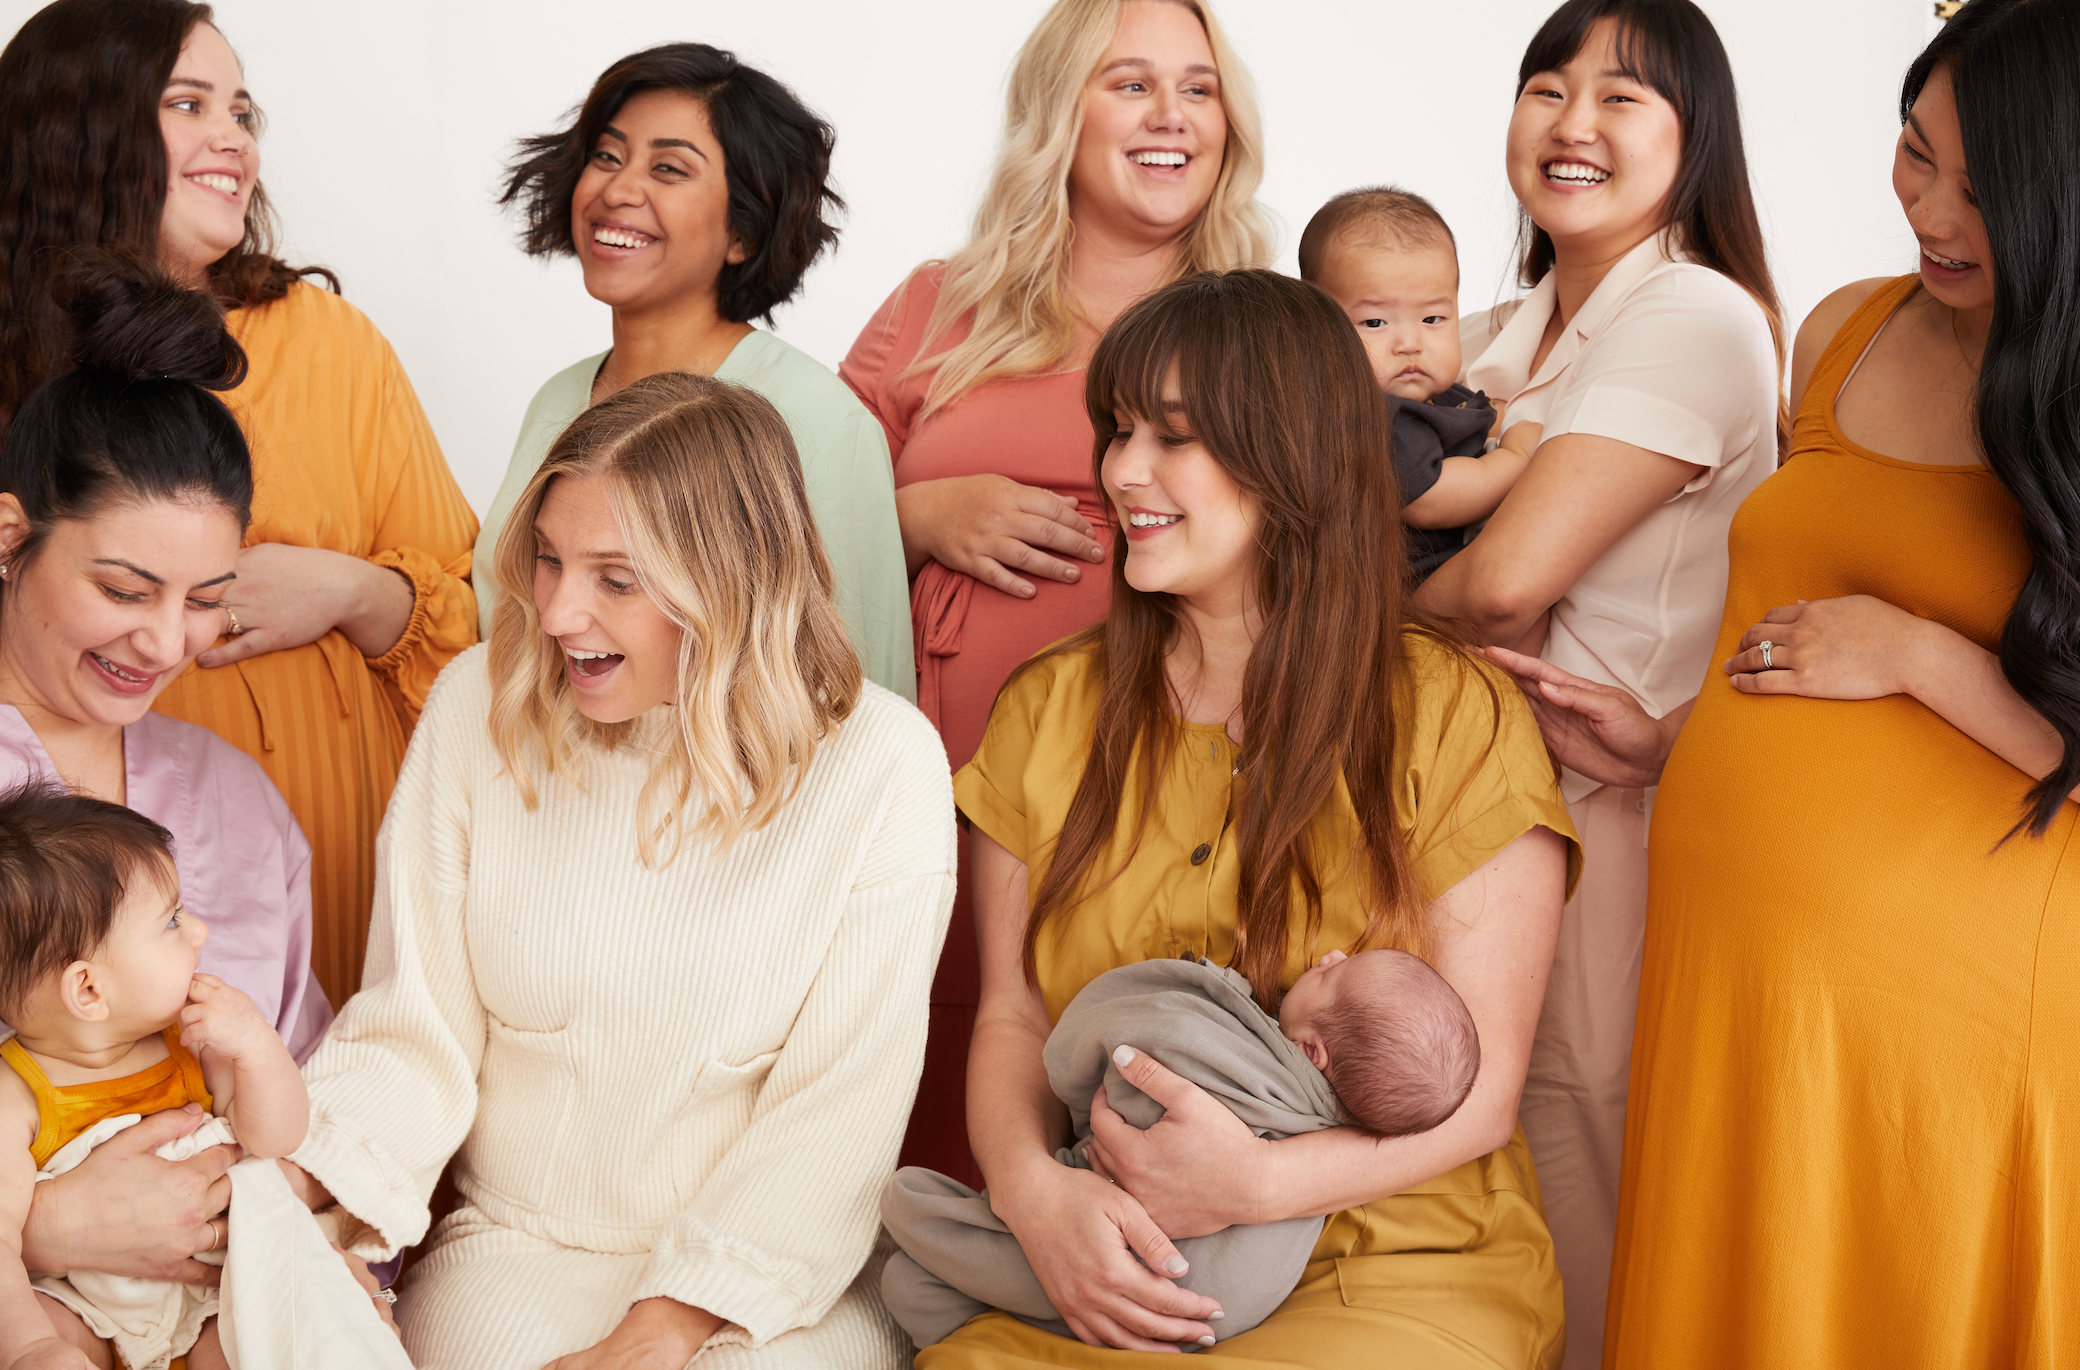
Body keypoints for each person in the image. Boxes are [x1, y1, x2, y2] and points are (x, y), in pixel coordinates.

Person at [1489, 1, 2080, 1361]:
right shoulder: (1842, 332)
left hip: (1946, 1000)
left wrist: (1920, 654)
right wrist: (1673, 736)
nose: (1929, 208)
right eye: (1913, 152)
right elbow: (1789, 619)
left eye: (1983, 191)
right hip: (1734, 966)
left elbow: (1906, 653)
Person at [921, 269, 1578, 1368]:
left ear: (1292, 457)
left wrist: (1258, 1183)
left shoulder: (1452, 713)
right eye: (1118, 429)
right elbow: (1012, 1022)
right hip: (1116, 1252)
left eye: (1172, 437)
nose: (1122, 470)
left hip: (1393, 1262)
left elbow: (1484, 1098)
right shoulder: (1047, 706)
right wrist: (1036, 1196)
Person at [280, 374, 957, 1369]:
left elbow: (839, 1107)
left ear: (732, 579)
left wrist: (671, 1319)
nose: (555, 612)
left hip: (784, 1274)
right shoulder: (479, 706)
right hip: (517, 1248)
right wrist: (295, 1199)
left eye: (614, 578)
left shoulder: (881, 763)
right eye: (548, 561)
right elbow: (410, 1032)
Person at [840, 0, 1272, 1187]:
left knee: (1118, 1074)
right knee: (922, 1072)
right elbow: (774, 520)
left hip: (1165, 779)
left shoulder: (1260, 320)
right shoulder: (938, 301)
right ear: (1057, 114)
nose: (1172, 114)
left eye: (1198, 86)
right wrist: (919, 514)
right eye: (1130, 83)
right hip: (936, 766)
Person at [1409, 3, 1781, 1359]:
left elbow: (1506, 581)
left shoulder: (1690, 315)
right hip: (1463, 812)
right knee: (1465, 1183)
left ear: (1695, 144)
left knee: (1579, 1157)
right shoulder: (1488, 338)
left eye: (1624, 99)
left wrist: (1343, 615)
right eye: (1547, 88)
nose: (1573, 124)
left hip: (1600, 822)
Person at [0, 0, 482, 1010]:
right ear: (76, 127)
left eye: (243, 111)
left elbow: (482, 636)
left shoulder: (332, 343)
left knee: (308, 1103)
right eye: (188, 103)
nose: (232, 137)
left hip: (318, 858)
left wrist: (355, 590)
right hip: (66, 898)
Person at [0, 262, 356, 1345]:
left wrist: (278, 1202)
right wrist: (52, 1226)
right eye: (122, 589)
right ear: (9, 534)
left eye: (205, 601)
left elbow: (317, 1109)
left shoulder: (232, 798)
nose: (165, 643)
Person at [473, 42, 913, 701]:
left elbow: (863, 695)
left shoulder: (817, 419)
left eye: (670, 169)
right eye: (607, 156)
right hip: (541, 789)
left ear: (744, 232)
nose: (618, 190)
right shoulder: (557, 399)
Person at [880, 947, 1479, 1348]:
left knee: (907, 1235)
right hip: (1227, 1311)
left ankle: (932, 1236)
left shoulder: (1228, 1053)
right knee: (919, 1286)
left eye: (1329, 976)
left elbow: (1091, 1053)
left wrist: (1081, 1092)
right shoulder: (1332, 1124)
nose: (1328, 956)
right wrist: (1026, 1181)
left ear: (1311, 1052)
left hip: (1168, 1269)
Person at [0, 784, 310, 1370]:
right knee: (49, 1336)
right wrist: (32, 1347)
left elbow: (278, 1137)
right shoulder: (15, 1098)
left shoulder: (194, 1044)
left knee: (271, 1330)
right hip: (82, 1303)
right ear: (89, 990)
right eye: (172, 921)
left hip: (210, 1299)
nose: (199, 933)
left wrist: (257, 1046)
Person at [1298, 187, 1537, 585]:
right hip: (1404, 600)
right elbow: (1430, 499)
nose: (1410, 344)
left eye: (1432, 319)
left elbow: (1475, 418)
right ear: (1317, 328)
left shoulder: (1430, 393)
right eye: (1375, 323)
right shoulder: (1371, 417)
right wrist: (1515, 456)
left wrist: (1496, 420)